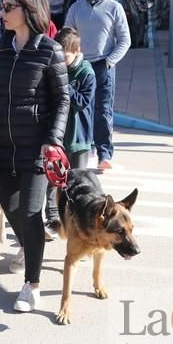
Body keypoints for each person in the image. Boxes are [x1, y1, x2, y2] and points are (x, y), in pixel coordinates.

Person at [0, 0, 69, 312]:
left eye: (7, 8)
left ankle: (31, 284)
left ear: (27, 10)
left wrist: (53, 140)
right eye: (1, 7)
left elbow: (62, 100)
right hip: (2, 145)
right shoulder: (1, 49)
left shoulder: (49, 50)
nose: (1, 13)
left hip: (36, 149)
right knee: (10, 206)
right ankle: (33, 245)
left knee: (30, 211)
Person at [65, 0, 131, 170]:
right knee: (81, 109)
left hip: (104, 65)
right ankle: (85, 148)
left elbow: (125, 40)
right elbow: (67, 35)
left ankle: (104, 153)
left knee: (103, 110)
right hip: (81, 66)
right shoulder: (76, 8)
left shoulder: (114, 8)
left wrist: (110, 62)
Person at [43, 27, 95, 239]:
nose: (61, 59)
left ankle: (78, 225)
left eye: (65, 55)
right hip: (58, 137)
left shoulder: (86, 72)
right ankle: (53, 221)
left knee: (78, 185)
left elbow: (82, 102)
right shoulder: (53, 68)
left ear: (76, 50)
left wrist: (64, 82)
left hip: (79, 138)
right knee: (51, 181)